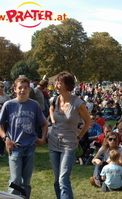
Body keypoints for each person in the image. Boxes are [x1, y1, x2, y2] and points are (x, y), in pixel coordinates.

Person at [0, 76, 48, 199]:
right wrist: (5, 138)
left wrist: (42, 138)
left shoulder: (34, 105)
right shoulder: (9, 104)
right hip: (15, 146)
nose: (22, 90)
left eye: (25, 88)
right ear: (15, 89)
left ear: (29, 90)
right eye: (20, 88)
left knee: (26, 181)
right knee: (15, 179)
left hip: (30, 145)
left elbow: (44, 123)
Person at [48, 71, 91, 199]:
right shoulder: (55, 100)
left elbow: (87, 122)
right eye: (56, 82)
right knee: (57, 180)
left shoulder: (78, 103)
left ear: (67, 85)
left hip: (69, 144)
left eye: (59, 82)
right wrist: (53, 121)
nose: (56, 85)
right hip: (53, 142)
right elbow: (51, 109)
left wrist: (78, 137)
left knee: (63, 179)